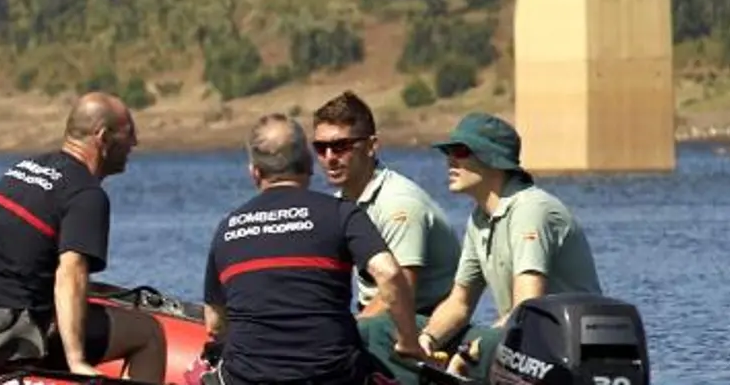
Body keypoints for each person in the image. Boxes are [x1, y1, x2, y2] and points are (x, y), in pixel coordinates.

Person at [0, 92, 167, 385]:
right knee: (148, 333)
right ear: (103, 137)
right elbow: (70, 275)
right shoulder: (86, 195)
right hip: (4, 331)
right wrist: (77, 361)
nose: (134, 143)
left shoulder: (23, 169)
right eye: (129, 133)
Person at [201, 113, 424, 385]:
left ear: (255, 173)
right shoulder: (341, 213)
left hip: (247, 378)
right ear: (307, 164)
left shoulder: (227, 228)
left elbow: (214, 323)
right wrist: (408, 341)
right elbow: (389, 274)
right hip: (332, 376)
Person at [411, 112, 605, 382]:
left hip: (562, 349)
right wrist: (425, 340)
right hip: (521, 339)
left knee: (479, 346)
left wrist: (470, 351)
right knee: (384, 330)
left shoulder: (529, 210)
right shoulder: (479, 219)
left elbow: (527, 307)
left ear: (494, 160)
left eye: (461, 151)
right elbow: (459, 303)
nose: (450, 160)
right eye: (448, 152)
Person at [311, 91, 462, 317]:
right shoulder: (337, 205)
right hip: (374, 315)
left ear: (372, 146)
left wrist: (350, 332)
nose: (330, 157)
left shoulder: (399, 204)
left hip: (424, 321)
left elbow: (401, 291)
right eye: (321, 148)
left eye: (341, 146)